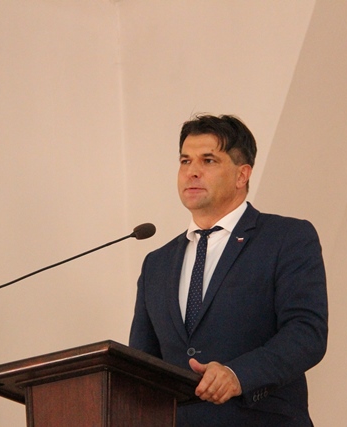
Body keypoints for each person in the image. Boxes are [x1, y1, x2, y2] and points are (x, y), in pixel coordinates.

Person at [129, 114, 328, 426]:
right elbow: (141, 364)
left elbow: (306, 333)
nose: (192, 172)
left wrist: (238, 375)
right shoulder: (157, 263)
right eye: (185, 161)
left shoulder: (286, 238)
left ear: (242, 175)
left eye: (208, 160)